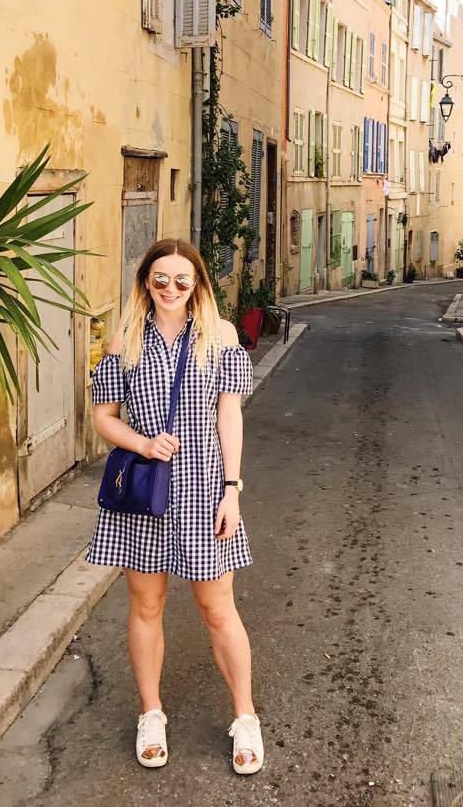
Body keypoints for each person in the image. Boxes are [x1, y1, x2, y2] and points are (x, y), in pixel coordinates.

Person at [86, 238, 263, 775]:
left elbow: (229, 416)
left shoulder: (221, 337)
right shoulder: (126, 339)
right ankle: (151, 713)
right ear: (145, 281)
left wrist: (232, 488)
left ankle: (246, 717)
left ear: (198, 285)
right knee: (145, 607)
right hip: (145, 495)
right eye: (159, 278)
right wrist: (140, 444)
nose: (170, 288)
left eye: (182, 280)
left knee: (218, 609)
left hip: (206, 490)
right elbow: (102, 417)